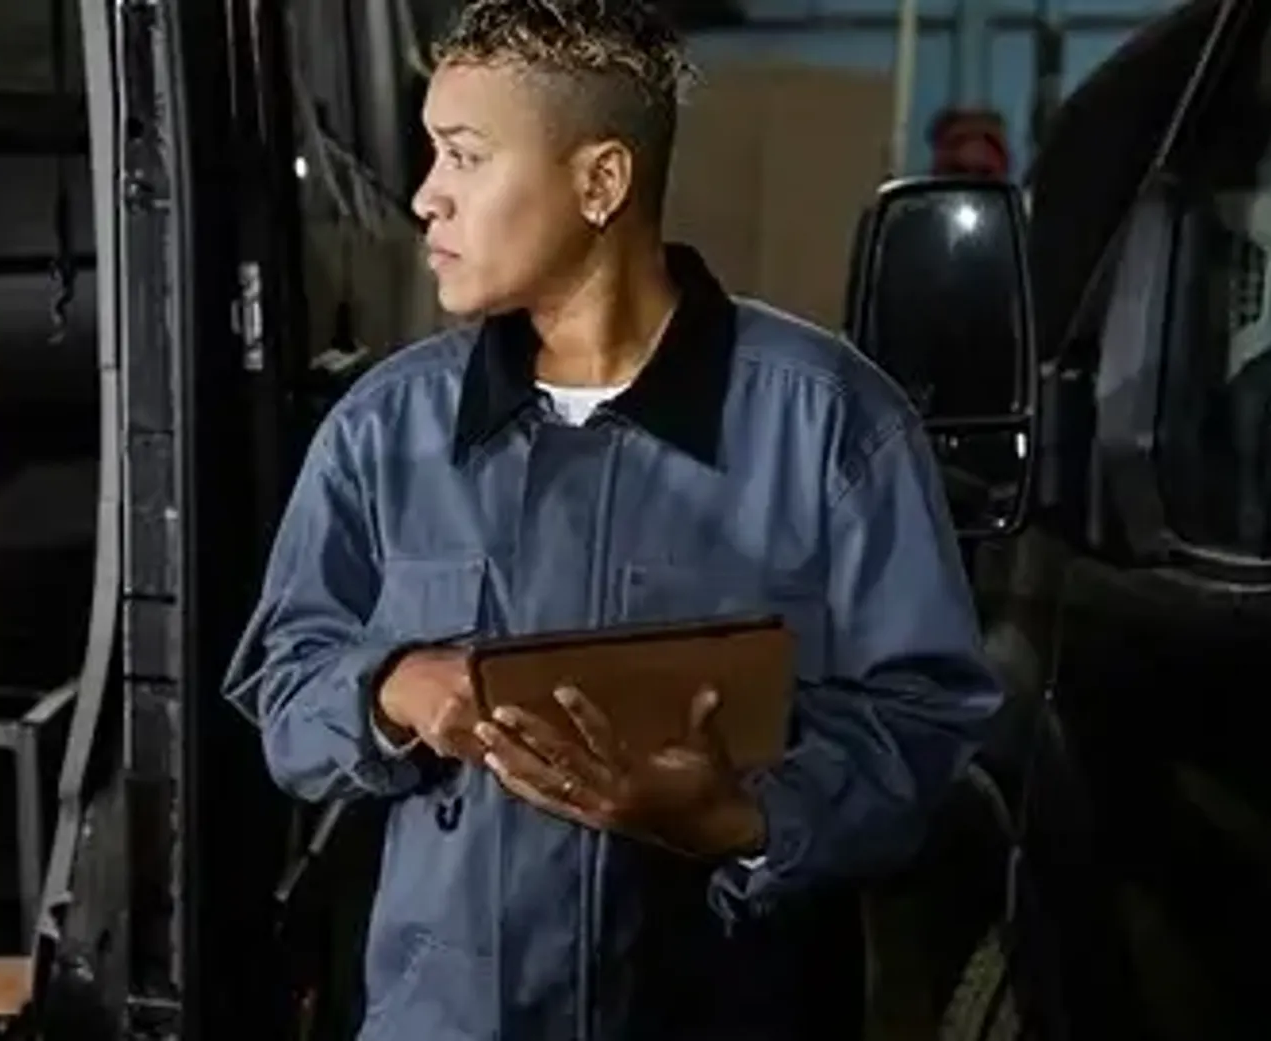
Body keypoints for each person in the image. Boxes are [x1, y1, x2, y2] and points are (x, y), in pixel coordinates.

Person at [222, 3, 1003, 1039]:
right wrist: (392, 688)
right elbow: (282, 686)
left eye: (464, 156)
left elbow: (926, 721)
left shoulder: (832, 426)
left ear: (600, 182)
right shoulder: (387, 431)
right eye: (431, 156)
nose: (423, 198)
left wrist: (740, 817)